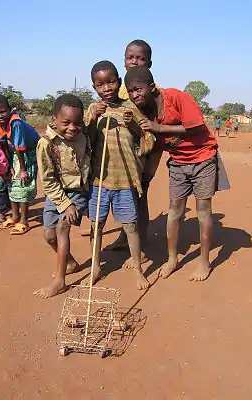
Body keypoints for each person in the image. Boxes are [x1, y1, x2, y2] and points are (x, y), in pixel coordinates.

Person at [124, 66, 230, 282]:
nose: (135, 95)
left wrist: (160, 128)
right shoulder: (143, 112)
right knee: (174, 211)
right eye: (130, 91)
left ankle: (204, 262)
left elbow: (198, 127)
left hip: (203, 159)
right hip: (178, 164)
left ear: (152, 87)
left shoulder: (176, 98)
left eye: (138, 89)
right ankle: (172, 258)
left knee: (203, 210)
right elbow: (152, 145)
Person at [86, 60, 152, 290]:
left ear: (119, 81)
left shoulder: (130, 108)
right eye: (100, 84)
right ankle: (96, 267)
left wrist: (133, 125)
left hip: (124, 180)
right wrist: (93, 119)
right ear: (94, 87)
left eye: (111, 82)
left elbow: (147, 139)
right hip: (99, 180)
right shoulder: (93, 109)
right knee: (97, 225)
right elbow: (87, 142)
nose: (107, 88)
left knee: (130, 226)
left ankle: (138, 268)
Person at [107, 39, 162, 265]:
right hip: (124, 153)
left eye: (140, 58)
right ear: (124, 60)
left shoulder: (148, 88)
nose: (135, 61)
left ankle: (140, 243)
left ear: (149, 62)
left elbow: (157, 132)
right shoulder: (120, 87)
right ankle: (126, 235)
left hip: (144, 152)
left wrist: (151, 166)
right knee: (127, 196)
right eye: (130, 57)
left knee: (140, 195)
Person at [34, 94, 91, 299]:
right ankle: (71, 263)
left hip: (78, 190)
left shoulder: (84, 135)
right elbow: (48, 181)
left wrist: (71, 204)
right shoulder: (46, 144)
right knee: (49, 236)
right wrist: (65, 204)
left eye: (77, 123)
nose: (72, 128)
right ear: (54, 120)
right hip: (56, 193)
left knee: (62, 227)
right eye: (66, 123)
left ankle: (60, 281)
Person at [0, 95, 39, 235]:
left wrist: (23, 169)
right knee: (11, 181)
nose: (0, 116)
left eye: (3, 111)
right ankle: (15, 216)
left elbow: (20, 147)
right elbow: (4, 142)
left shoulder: (15, 123)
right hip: (14, 152)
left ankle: (24, 220)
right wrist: (10, 165)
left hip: (28, 151)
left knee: (23, 183)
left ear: (10, 110)